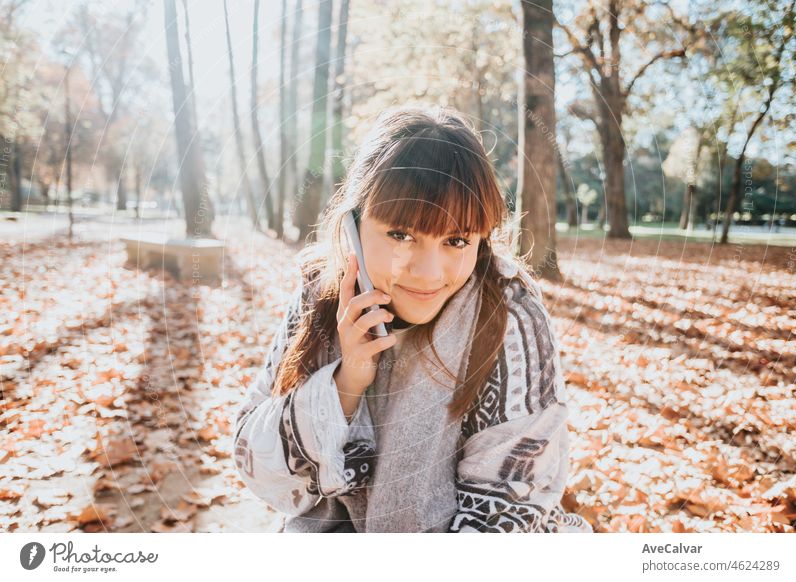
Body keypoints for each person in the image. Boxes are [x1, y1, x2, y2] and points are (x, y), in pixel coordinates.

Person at [232, 106, 593, 533]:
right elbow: (257, 466)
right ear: (354, 224)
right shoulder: (319, 299)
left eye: (456, 240)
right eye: (401, 235)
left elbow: (511, 504)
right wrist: (346, 383)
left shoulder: (507, 315)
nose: (429, 273)